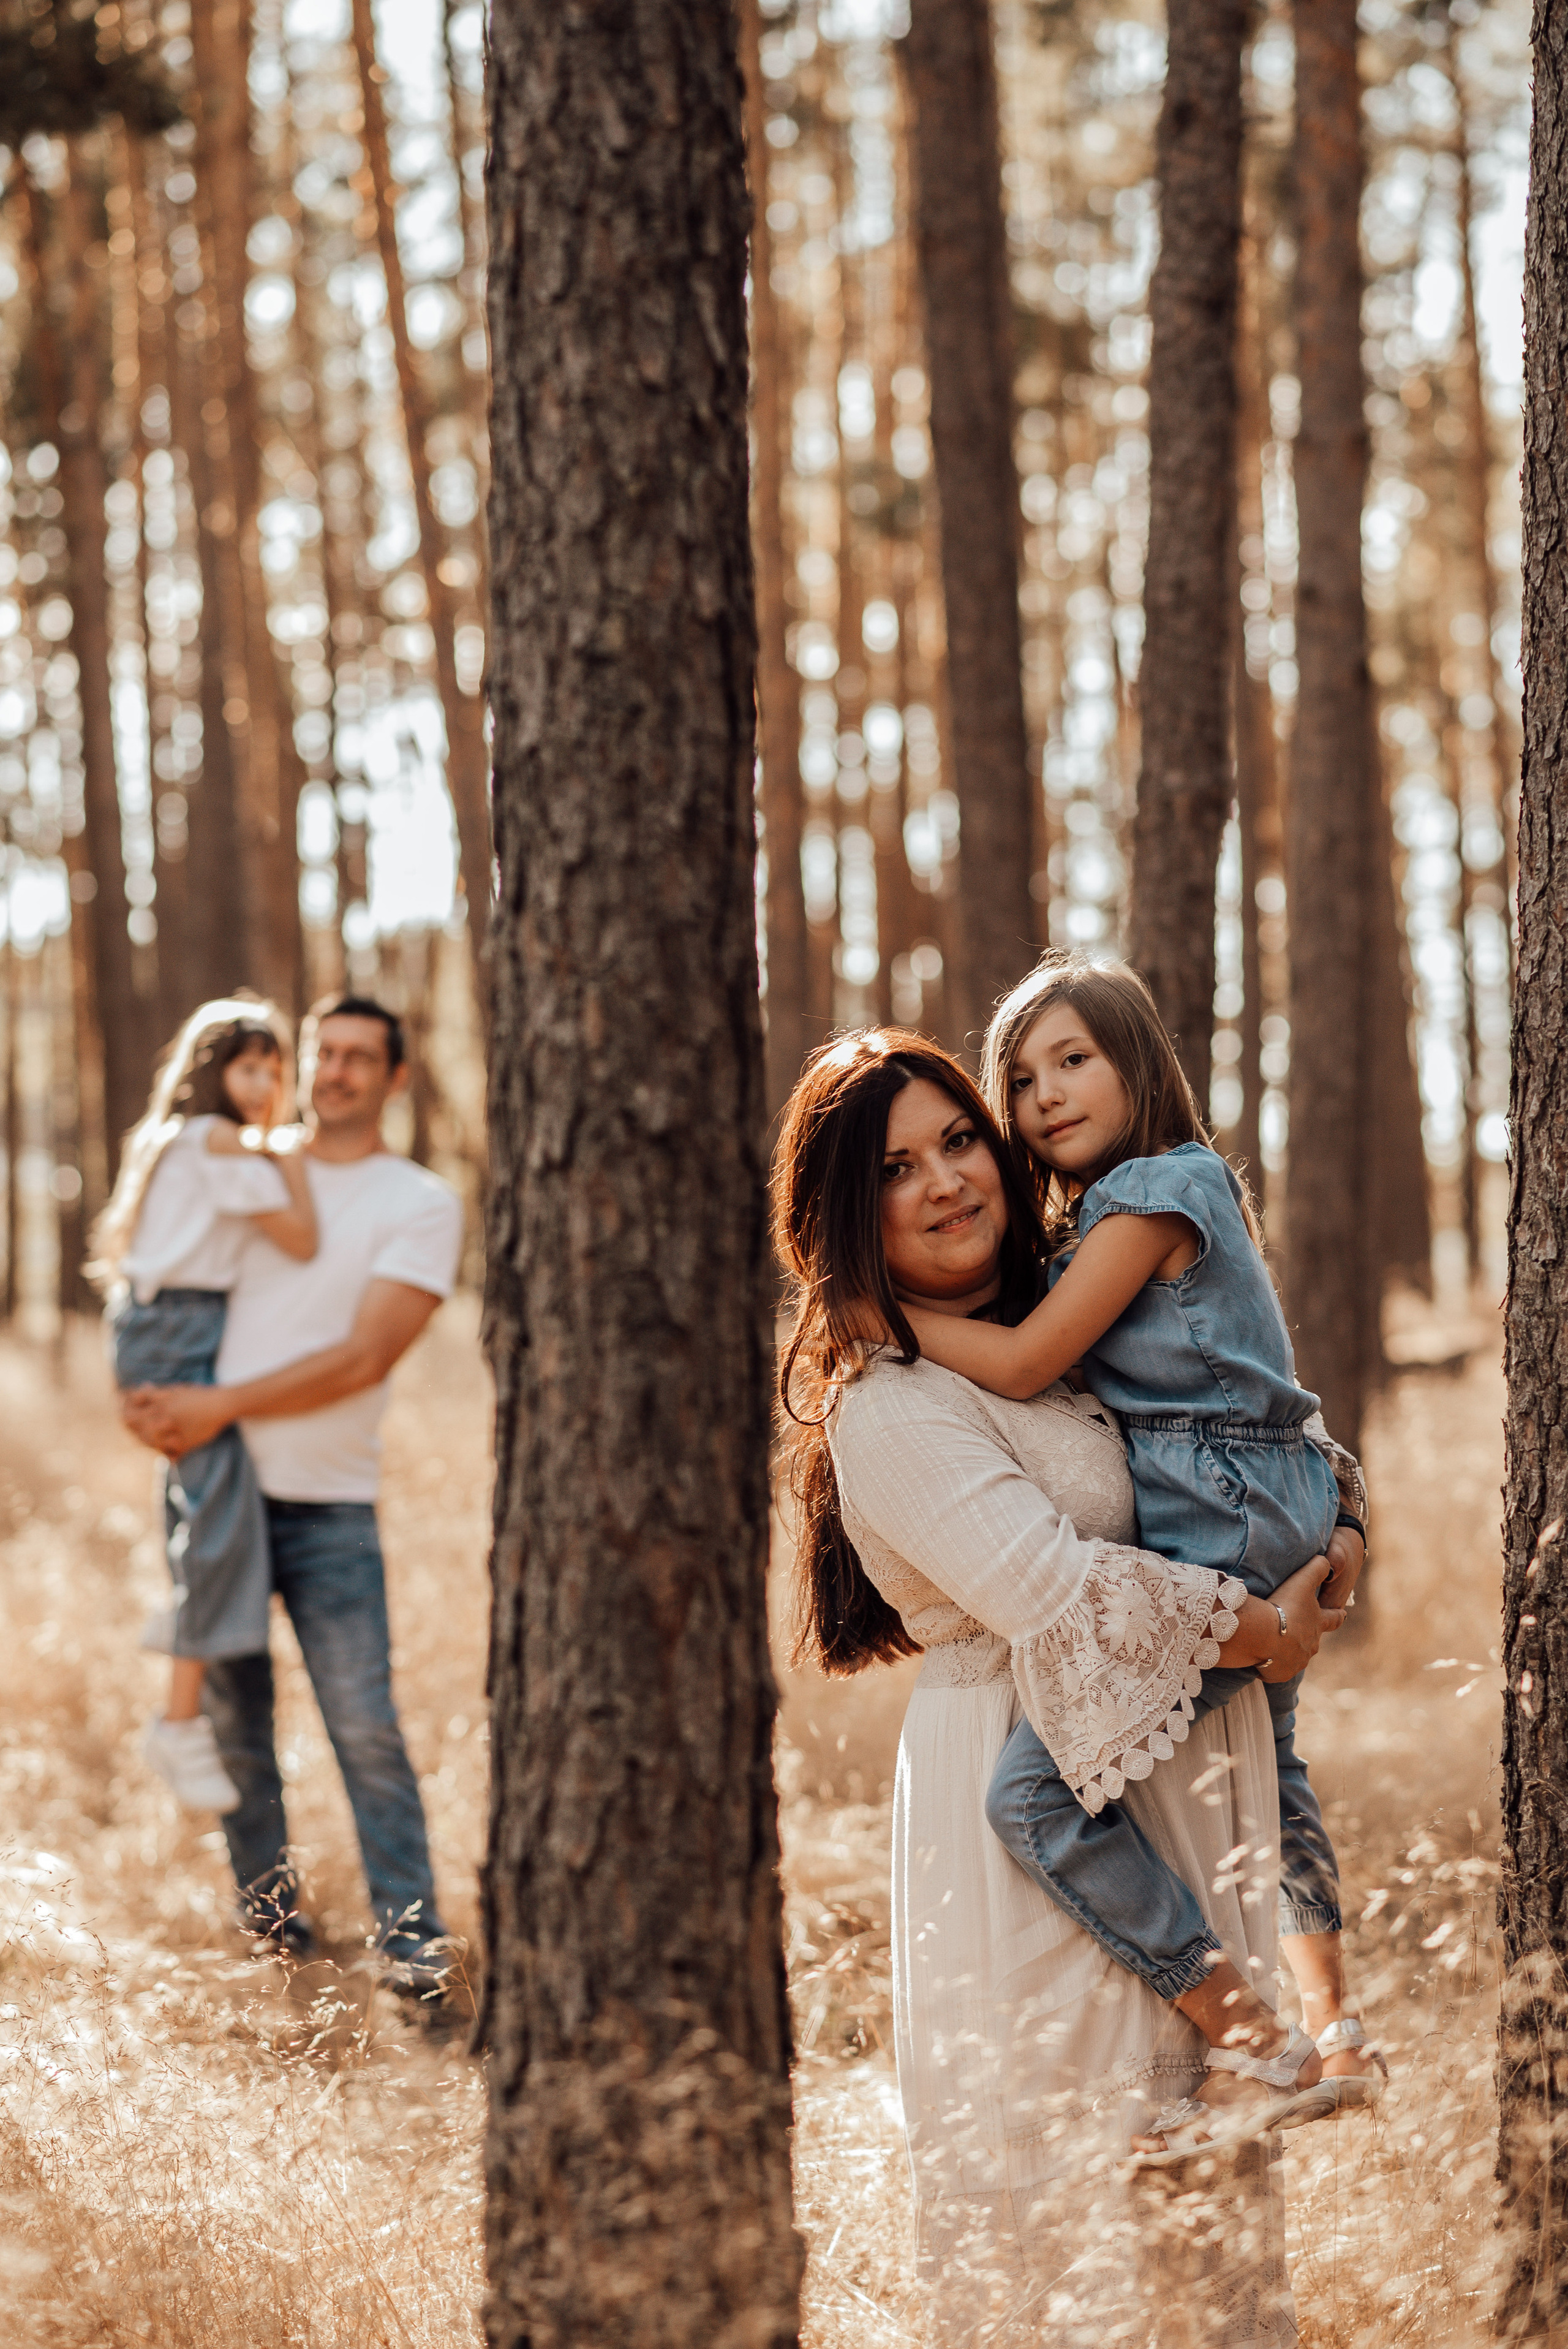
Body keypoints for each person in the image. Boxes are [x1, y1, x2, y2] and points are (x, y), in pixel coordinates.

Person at [774, 1031, 1349, 2339]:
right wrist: (1260, 1629)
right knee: (1078, 2202)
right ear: (842, 1217)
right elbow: (1057, 1593)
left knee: (1203, 2227)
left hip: (1172, 1775)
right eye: (893, 1170)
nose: (942, 1183)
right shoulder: (892, 1403)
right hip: (1027, 1807)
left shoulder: (1059, 1321)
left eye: (958, 1140)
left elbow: (1252, 1412)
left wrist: (1345, 1525)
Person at [894, 956, 1384, 2140]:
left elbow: (1020, 1364)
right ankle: (1335, 2033)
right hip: (1259, 1497)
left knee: (1029, 1795)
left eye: (1075, 1059)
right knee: (1272, 1767)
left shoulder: (1160, 1191)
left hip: (1223, 1513)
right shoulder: (1118, 1218)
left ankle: (1246, 2036)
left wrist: (884, 1313)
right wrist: (1345, 1507)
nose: (1047, 1094)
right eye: (1020, 1077)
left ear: (1139, 1063)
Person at [121, 996, 464, 1995]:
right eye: (325, 1052)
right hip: (214, 1485)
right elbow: (157, 1277)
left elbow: (362, 1356)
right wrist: (148, 1401)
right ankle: (281, 1952)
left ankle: (415, 1958)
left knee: (364, 1727)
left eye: (362, 1056)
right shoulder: (242, 1164)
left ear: (396, 1077)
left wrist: (215, 1401)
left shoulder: (418, 1201)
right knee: (239, 1734)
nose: (337, 1070)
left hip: (330, 1504)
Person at [93, 999, 317, 1814]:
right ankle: (179, 1720)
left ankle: (184, 1713)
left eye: (273, 1070)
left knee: (218, 1525)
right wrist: (290, 1153)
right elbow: (301, 1237)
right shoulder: (220, 1139)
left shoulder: (178, 1142)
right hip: (179, 1331)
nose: (261, 1086)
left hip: (169, 1326)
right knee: (220, 1529)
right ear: (210, 1069)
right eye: (248, 1066)